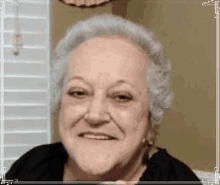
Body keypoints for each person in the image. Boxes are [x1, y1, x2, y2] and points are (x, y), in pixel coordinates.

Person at [5, 14, 202, 184]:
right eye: (79, 93)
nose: (95, 115)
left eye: (121, 97)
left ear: (151, 117)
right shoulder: (32, 166)